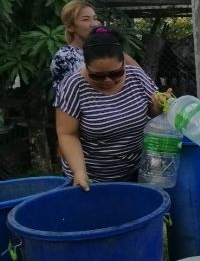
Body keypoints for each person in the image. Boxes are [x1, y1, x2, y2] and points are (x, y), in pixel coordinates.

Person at [55, 27, 168, 190]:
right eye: (97, 76)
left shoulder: (136, 76)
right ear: (86, 65)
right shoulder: (73, 86)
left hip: (136, 173)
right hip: (92, 180)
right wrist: (79, 172)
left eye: (116, 73)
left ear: (123, 61)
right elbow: (67, 134)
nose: (107, 80)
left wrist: (159, 105)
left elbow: (153, 112)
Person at [50, 0, 138, 95]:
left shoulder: (107, 47)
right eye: (86, 19)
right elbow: (63, 98)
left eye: (95, 18)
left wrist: (112, 46)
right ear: (71, 27)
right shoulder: (64, 57)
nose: (94, 24)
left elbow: (139, 76)